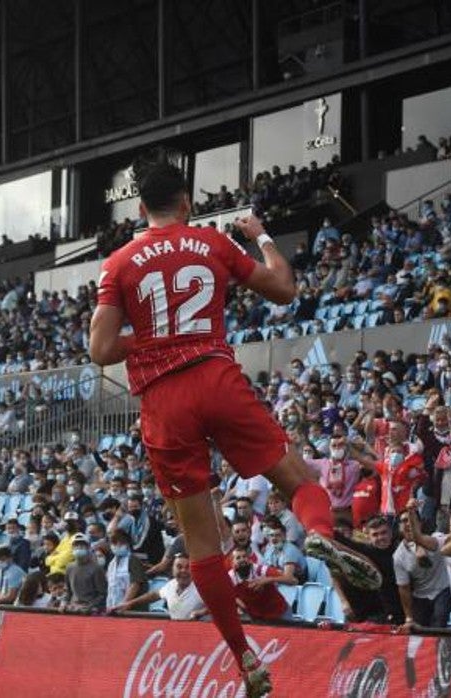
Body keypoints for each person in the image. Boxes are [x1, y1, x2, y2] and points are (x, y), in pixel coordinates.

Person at [90, 163, 380, 696]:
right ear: (186, 204)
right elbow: (285, 290)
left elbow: (101, 350)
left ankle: (244, 657)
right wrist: (261, 235)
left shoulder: (119, 263)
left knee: (201, 542)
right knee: (297, 480)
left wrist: (152, 342)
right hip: (216, 375)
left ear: (139, 211)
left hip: (164, 400)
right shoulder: (208, 243)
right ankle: (319, 537)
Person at [393, 500, 451, 630]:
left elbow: (440, 540)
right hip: (420, 595)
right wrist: (408, 617)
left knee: (440, 618)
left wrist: (411, 512)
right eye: (403, 521)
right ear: (398, 528)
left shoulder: (435, 538)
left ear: (418, 524)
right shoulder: (398, 556)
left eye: (410, 520)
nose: (407, 524)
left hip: (442, 590)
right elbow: (404, 588)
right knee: (419, 628)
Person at [112, 554, 207, 620]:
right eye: (179, 567)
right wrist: (129, 603)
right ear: (172, 570)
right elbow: (154, 595)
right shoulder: (171, 585)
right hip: (178, 634)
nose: (183, 571)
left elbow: (220, 605)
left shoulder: (202, 587)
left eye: (187, 567)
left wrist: (202, 612)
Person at [105, 529, 149, 612]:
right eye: (114, 543)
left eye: (122, 543)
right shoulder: (111, 564)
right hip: (115, 607)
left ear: (128, 544)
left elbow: (135, 584)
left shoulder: (133, 560)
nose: (118, 545)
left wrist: (124, 604)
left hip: (133, 609)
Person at [65, 533, 108, 612]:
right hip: (73, 607)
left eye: (82, 546)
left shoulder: (96, 568)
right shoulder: (69, 567)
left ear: (88, 548)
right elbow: (68, 591)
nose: (78, 548)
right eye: (76, 546)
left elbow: (102, 594)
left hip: (91, 609)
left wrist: (89, 606)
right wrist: (64, 602)